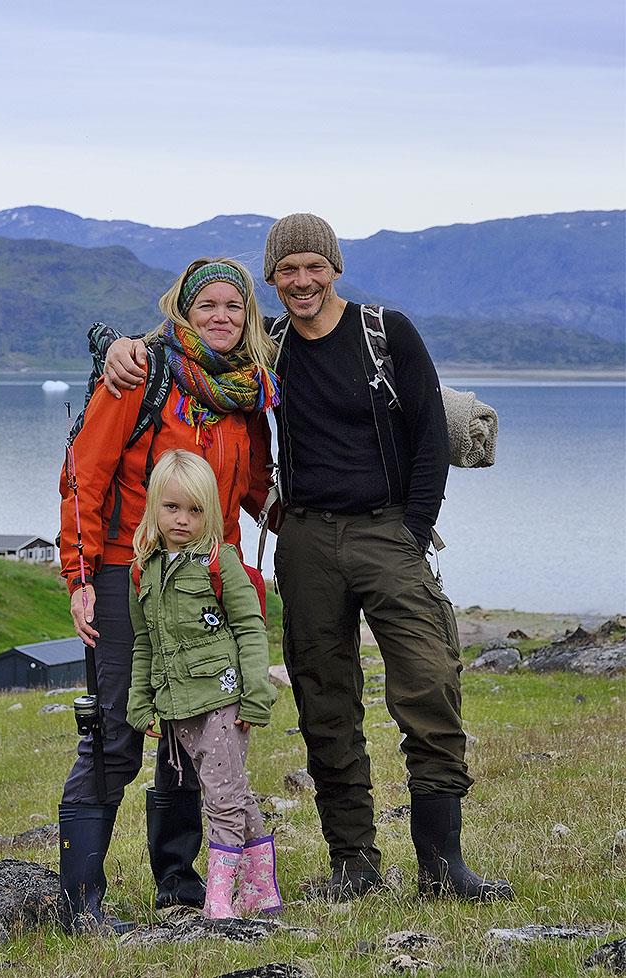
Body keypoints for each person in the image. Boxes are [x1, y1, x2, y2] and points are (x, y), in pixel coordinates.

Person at [100, 214, 514, 903]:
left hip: (389, 532)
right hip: (308, 540)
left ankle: (445, 869)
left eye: (313, 267)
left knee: (429, 684)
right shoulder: (272, 348)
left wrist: (412, 532)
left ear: (334, 269)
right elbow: (195, 342)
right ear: (272, 278)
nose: (301, 281)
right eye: (286, 270)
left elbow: (428, 443)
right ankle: (354, 864)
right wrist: (118, 347)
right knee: (326, 704)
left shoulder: (387, 333)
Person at [58, 258, 278, 931]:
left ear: (248, 317)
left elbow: (254, 492)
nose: (220, 317)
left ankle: (179, 887)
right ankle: (81, 905)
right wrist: (80, 576)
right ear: (183, 309)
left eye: (233, 307)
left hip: (213, 579)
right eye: (206, 304)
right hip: (133, 574)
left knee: (197, 732)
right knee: (117, 733)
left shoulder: (249, 396)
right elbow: (83, 476)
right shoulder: (139, 375)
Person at [127, 449, 280, 918]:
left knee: (222, 796)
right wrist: (141, 701)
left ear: (209, 512)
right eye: (172, 507)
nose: (182, 519)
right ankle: (261, 889)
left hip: (224, 699)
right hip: (179, 707)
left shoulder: (221, 562)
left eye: (195, 510)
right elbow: (143, 643)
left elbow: (252, 629)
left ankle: (219, 897)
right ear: (154, 506)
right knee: (232, 789)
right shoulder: (143, 572)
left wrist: (256, 696)